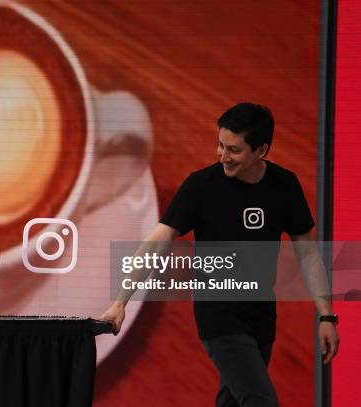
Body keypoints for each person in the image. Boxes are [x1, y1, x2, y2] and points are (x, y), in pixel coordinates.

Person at [100, 102, 340, 407]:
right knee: (260, 401)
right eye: (220, 145)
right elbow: (158, 241)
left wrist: (327, 316)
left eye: (234, 150)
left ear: (261, 150)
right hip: (218, 316)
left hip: (262, 316)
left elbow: (307, 254)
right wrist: (121, 301)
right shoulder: (201, 186)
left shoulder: (285, 185)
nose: (222, 156)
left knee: (233, 401)